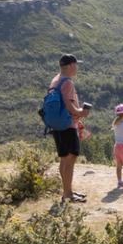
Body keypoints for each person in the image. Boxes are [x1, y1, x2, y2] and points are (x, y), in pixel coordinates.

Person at [44, 54, 88, 206]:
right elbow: (71, 107)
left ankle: (66, 192)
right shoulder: (67, 82)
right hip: (68, 125)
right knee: (71, 159)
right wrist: (82, 112)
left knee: (64, 159)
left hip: (57, 125)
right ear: (70, 66)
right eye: (75, 65)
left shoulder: (55, 80)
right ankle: (68, 194)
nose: (77, 68)